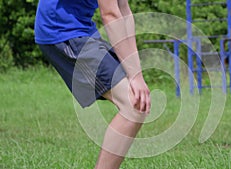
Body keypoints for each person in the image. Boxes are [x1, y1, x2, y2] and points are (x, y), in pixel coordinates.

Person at [35, 0, 151, 168]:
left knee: (135, 105)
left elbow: (124, 10)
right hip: (61, 30)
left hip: (82, 30)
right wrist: (135, 76)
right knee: (133, 105)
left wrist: (136, 72)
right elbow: (110, 14)